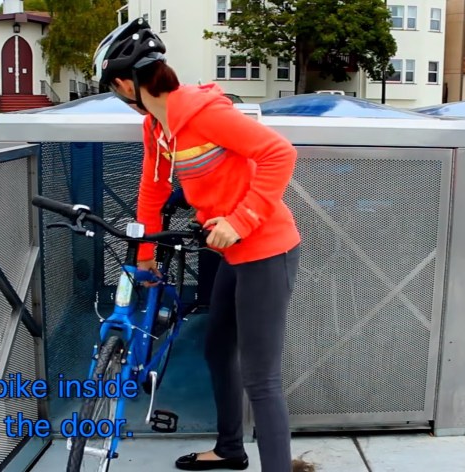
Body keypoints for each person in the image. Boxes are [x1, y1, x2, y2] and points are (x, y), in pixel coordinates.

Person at [92, 18, 302, 472]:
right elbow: (150, 191)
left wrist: (242, 218)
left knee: (261, 378)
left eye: (113, 88)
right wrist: (144, 258)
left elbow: (280, 154)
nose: (118, 96)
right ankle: (230, 449)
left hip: (267, 248)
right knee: (217, 347)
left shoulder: (203, 113)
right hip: (229, 253)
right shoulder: (157, 128)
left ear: (127, 83)